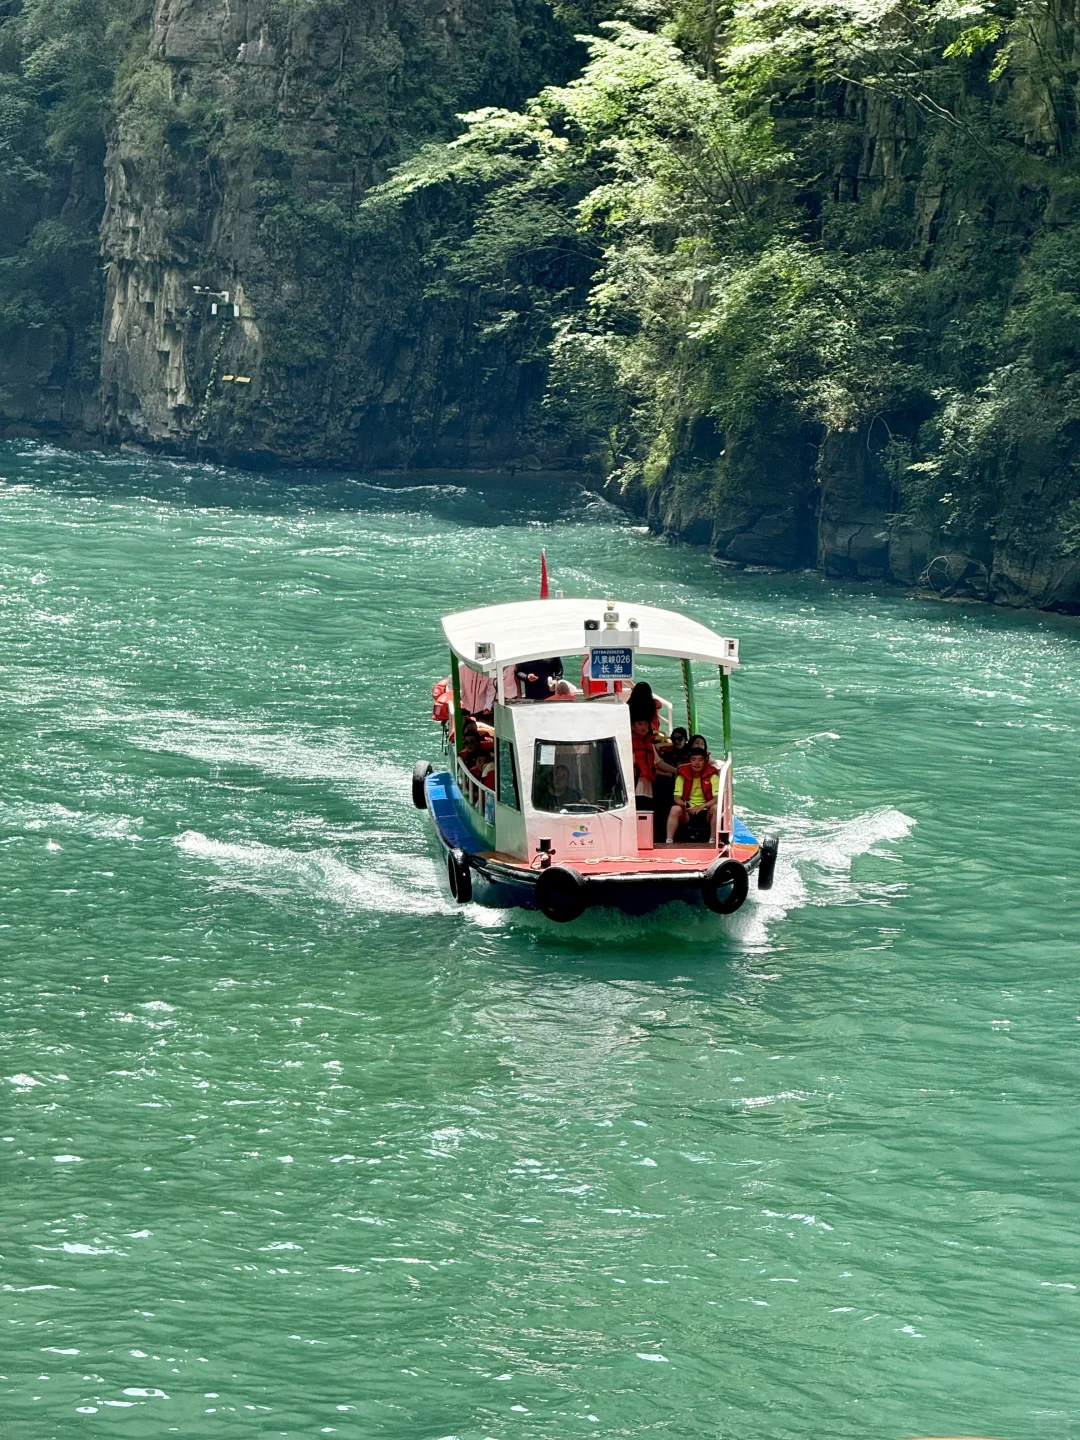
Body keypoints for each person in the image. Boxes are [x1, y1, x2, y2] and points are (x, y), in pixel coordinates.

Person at [666, 738, 721, 843]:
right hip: (687, 811)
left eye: (700, 760)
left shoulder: (713, 777)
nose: (697, 763)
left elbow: (716, 799)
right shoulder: (682, 777)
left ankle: (713, 840)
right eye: (694, 759)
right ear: (690, 761)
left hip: (706, 811)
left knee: (716, 808)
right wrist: (685, 805)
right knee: (674, 809)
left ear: (705, 762)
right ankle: (669, 841)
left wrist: (701, 806)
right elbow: (676, 798)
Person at [632, 714, 676, 804]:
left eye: (646, 724)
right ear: (632, 726)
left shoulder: (649, 744)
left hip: (648, 789)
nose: (643, 727)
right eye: (639, 724)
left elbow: (659, 763)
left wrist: (677, 770)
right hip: (633, 789)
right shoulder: (629, 743)